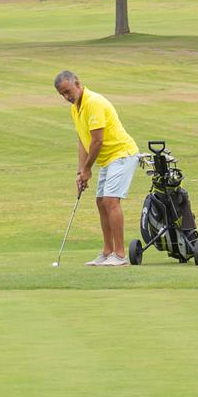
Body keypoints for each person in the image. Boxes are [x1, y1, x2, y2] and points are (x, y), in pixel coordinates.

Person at [55, 70, 140, 267]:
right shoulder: (76, 108)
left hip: (122, 153)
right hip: (108, 159)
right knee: (101, 202)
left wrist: (88, 169)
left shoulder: (93, 102)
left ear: (77, 83)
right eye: (62, 95)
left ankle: (119, 255)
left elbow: (97, 141)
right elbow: (83, 141)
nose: (67, 97)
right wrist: (80, 171)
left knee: (110, 200)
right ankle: (107, 251)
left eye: (68, 91)